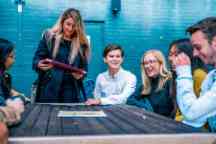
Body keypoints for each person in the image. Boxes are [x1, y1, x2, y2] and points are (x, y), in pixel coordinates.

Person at [33, 8, 90, 103]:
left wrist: (80, 75)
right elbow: (36, 59)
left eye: (74, 26)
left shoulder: (82, 44)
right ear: (62, 22)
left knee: (69, 117)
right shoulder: (49, 38)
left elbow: (84, 69)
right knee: (47, 117)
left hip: (71, 92)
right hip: (49, 90)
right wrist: (39, 64)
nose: (70, 29)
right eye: (68, 24)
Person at [173, 17, 216, 130]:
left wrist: (183, 74)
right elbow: (196, 121)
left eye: (198, 47)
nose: (195, 54)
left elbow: (192, 114)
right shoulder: (211, 77)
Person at [168, 38, 207, 123]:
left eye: (176, 54)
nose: (171, 59)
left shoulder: (199, 75)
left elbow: (200, 113)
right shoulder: (176, 76)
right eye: (170, 54)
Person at [127, 50, 174, 117]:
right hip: (151, 122)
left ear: (160, 63)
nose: (147, 66)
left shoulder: (170, 81)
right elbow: (130, 100)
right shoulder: (147, 84)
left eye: (151, 62)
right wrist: (146, 107)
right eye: (145, 63)